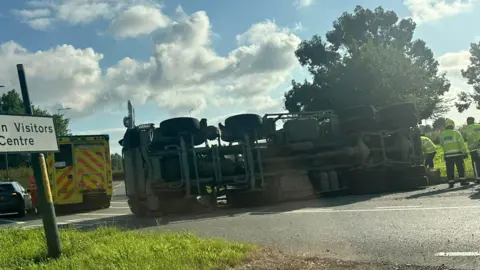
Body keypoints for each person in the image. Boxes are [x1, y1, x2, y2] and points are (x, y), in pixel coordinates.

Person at [439, 119, 468, 187]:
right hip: (457, 153)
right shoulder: (456, 133)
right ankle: (462, 181)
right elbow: (462, 144)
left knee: (450, 169)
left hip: (448, 155)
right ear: (453, 125)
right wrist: (465, 152)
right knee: (460, 168)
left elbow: (441, 144)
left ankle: (451, 182)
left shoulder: (442, 134)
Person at [462, 117, 480, 183]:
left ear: (467, 122)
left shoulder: (466, 129)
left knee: (475, 163)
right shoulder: (479, 125)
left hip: (474, 149)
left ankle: (478, 178)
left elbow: (464, 139)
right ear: (473, 121)